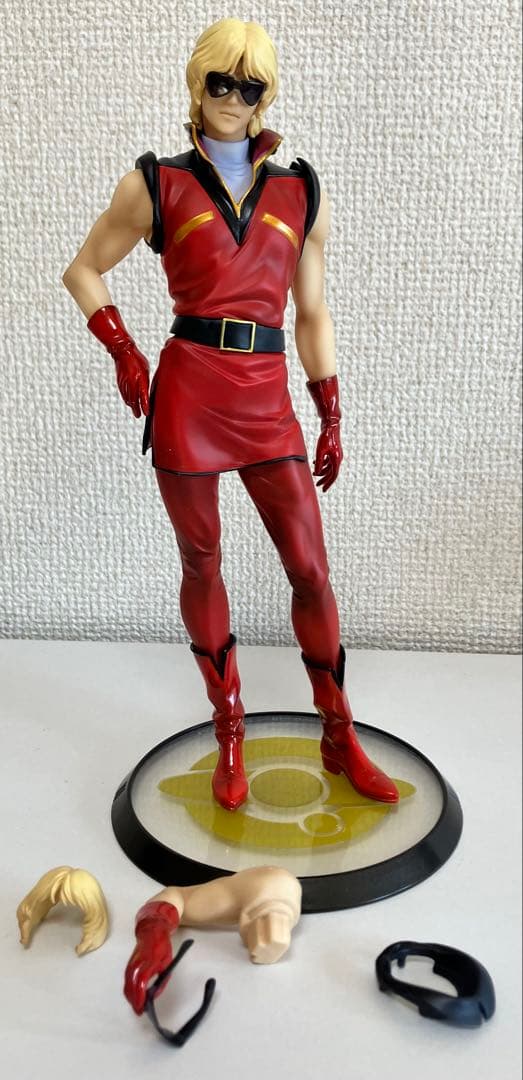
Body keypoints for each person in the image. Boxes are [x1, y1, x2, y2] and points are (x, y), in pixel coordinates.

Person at [62, 18, 398, 811]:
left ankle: (338, 731)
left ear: (266, 95)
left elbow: (310, 313)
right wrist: (124, 350)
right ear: (198, 82)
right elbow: (83, 270)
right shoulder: (156, 183)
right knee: (201, 562)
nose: (233, 98)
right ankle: (230, 731)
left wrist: (329, 408)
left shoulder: (299, 190)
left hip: (266, 396)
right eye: (221, 81)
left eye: (250, 86)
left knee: (309, 567)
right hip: (189, 393)